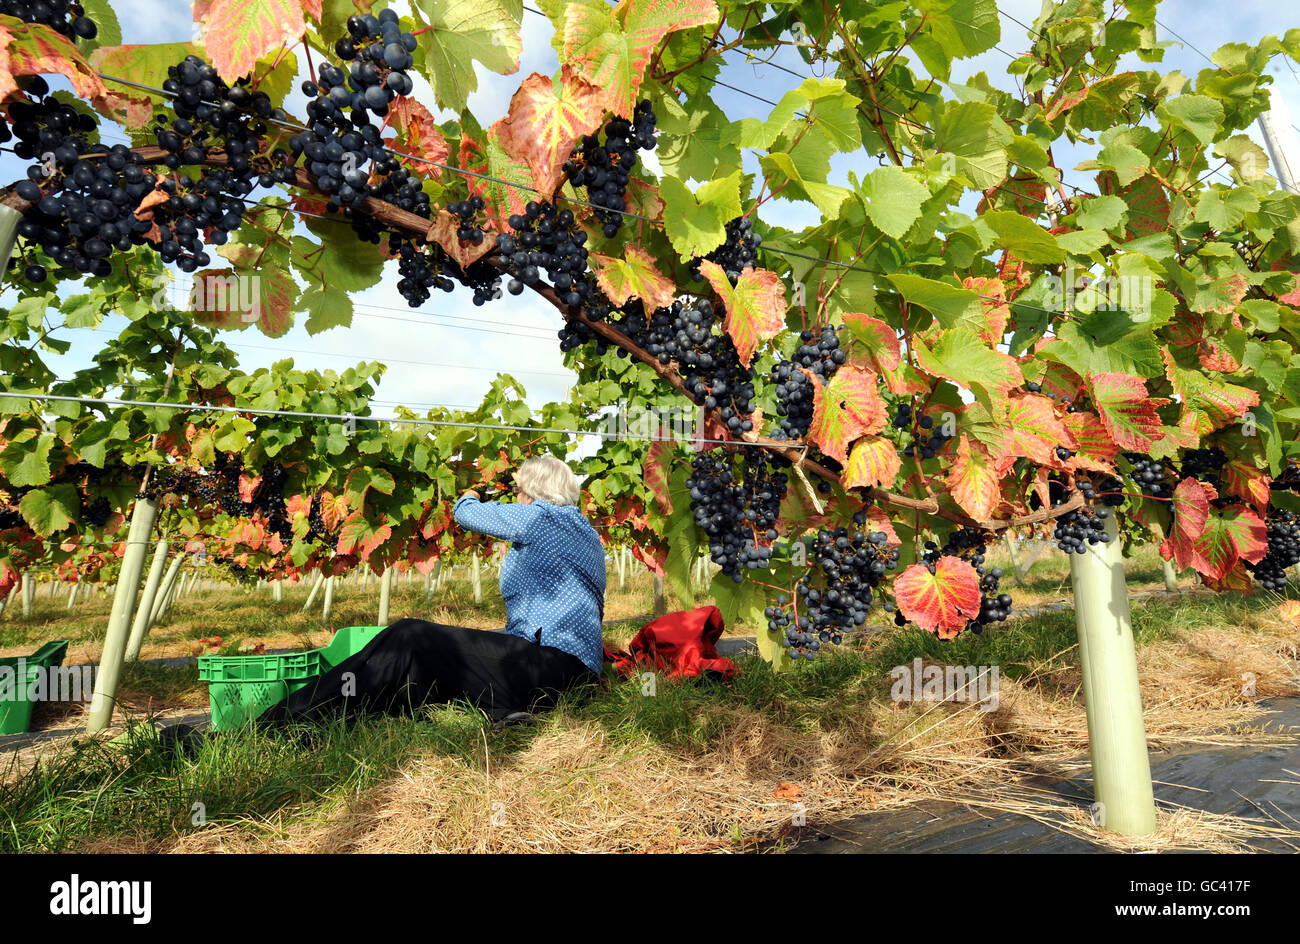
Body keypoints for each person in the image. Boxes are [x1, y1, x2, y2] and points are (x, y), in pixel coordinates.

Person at [258, 455, 606, 729]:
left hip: (547, 671)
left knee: (411, 636)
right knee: (422, 668)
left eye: (518, 493)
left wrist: (470, 495)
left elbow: (467, 515)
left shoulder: (539, 517)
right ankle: (334, 719)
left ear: (532, 494)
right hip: (574, 676)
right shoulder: (587, 533)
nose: (516, 498)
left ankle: (278, 725)